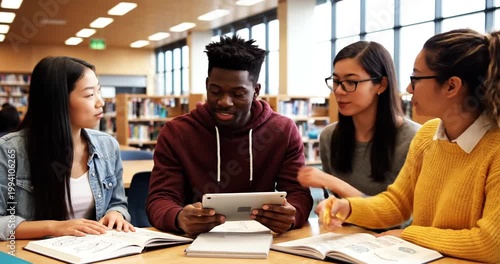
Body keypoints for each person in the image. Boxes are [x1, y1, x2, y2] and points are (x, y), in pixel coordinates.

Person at [319, 29, 500, 263]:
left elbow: (491, 244)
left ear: (451, 87)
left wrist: (409, 234)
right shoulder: (427, 135)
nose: (408, 88)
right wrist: (348, 208)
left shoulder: (495, 149)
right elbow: (396, 204)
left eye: (416, 78)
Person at [146, 35, 313, 236]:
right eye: (215, 91)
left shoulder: (283, 131)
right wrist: (178, 217)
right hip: (195, 242)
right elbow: (160, 198)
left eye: (238, 94)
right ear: (207, 85)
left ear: (256, 91)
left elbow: (299, 194)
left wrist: (291, 215)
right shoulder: (176, 132)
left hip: (265, 240)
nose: (225, 102)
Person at [0, 56, 135, 241]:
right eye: (89, 95)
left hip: (93, 252)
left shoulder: (107, 146)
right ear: (58, 101)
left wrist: (116, 214)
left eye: (99, 92)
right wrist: (55, 227)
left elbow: (118, 202)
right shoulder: (9, 150)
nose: (101, 102)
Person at [298, 41, 420, 198]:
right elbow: (336, 203)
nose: (339, 91)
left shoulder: (414, 140)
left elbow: (403, 218)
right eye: (336, 81)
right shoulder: (329, 136)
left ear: (381, 85)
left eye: (351, 82)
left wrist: (335, 183)